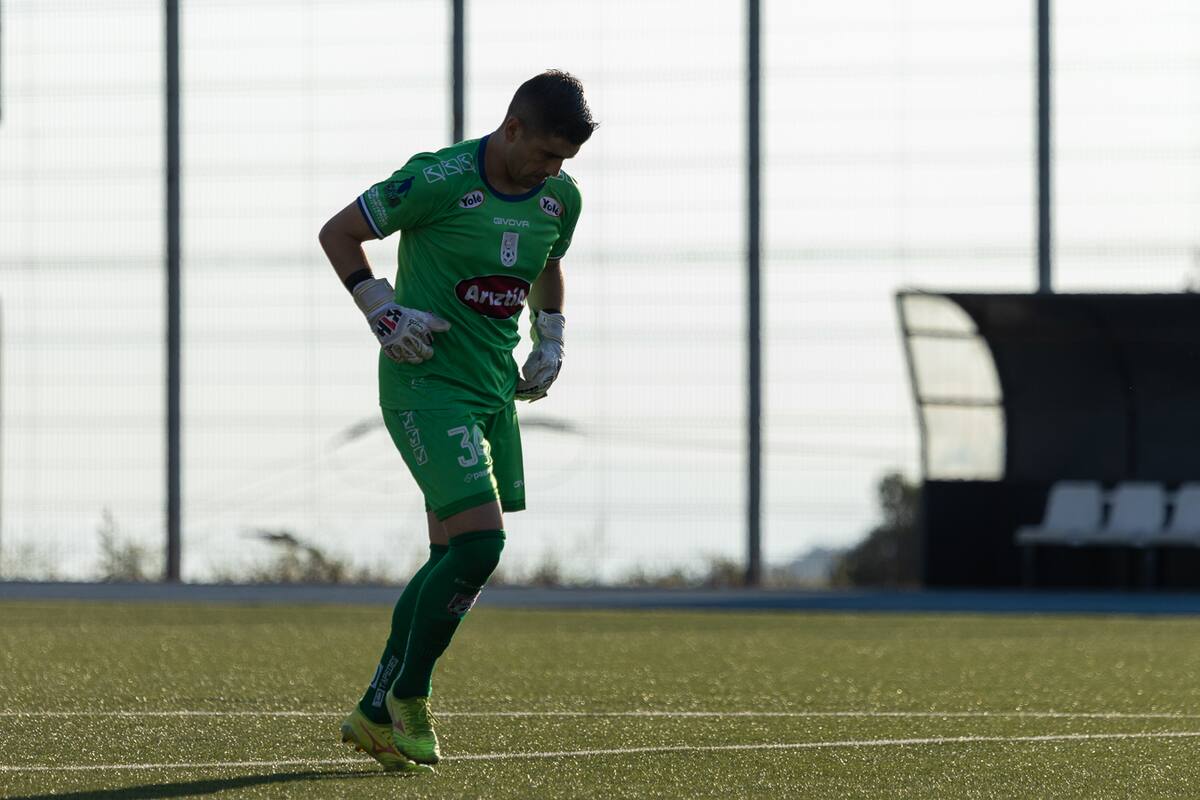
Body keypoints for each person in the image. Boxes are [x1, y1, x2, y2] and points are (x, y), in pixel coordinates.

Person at [318, 70, 597, 772]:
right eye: (544, 154)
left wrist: (552, 335)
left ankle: (376, 711)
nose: (551, 171)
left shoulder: (560, 197)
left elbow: (546, 261)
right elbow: (339, 232)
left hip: (491, 392)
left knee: (452, 555)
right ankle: (408, 700)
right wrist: (380, 309)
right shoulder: (439, 177)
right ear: (511, 130)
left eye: (564, 161)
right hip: (425, 384)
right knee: (479, 548)